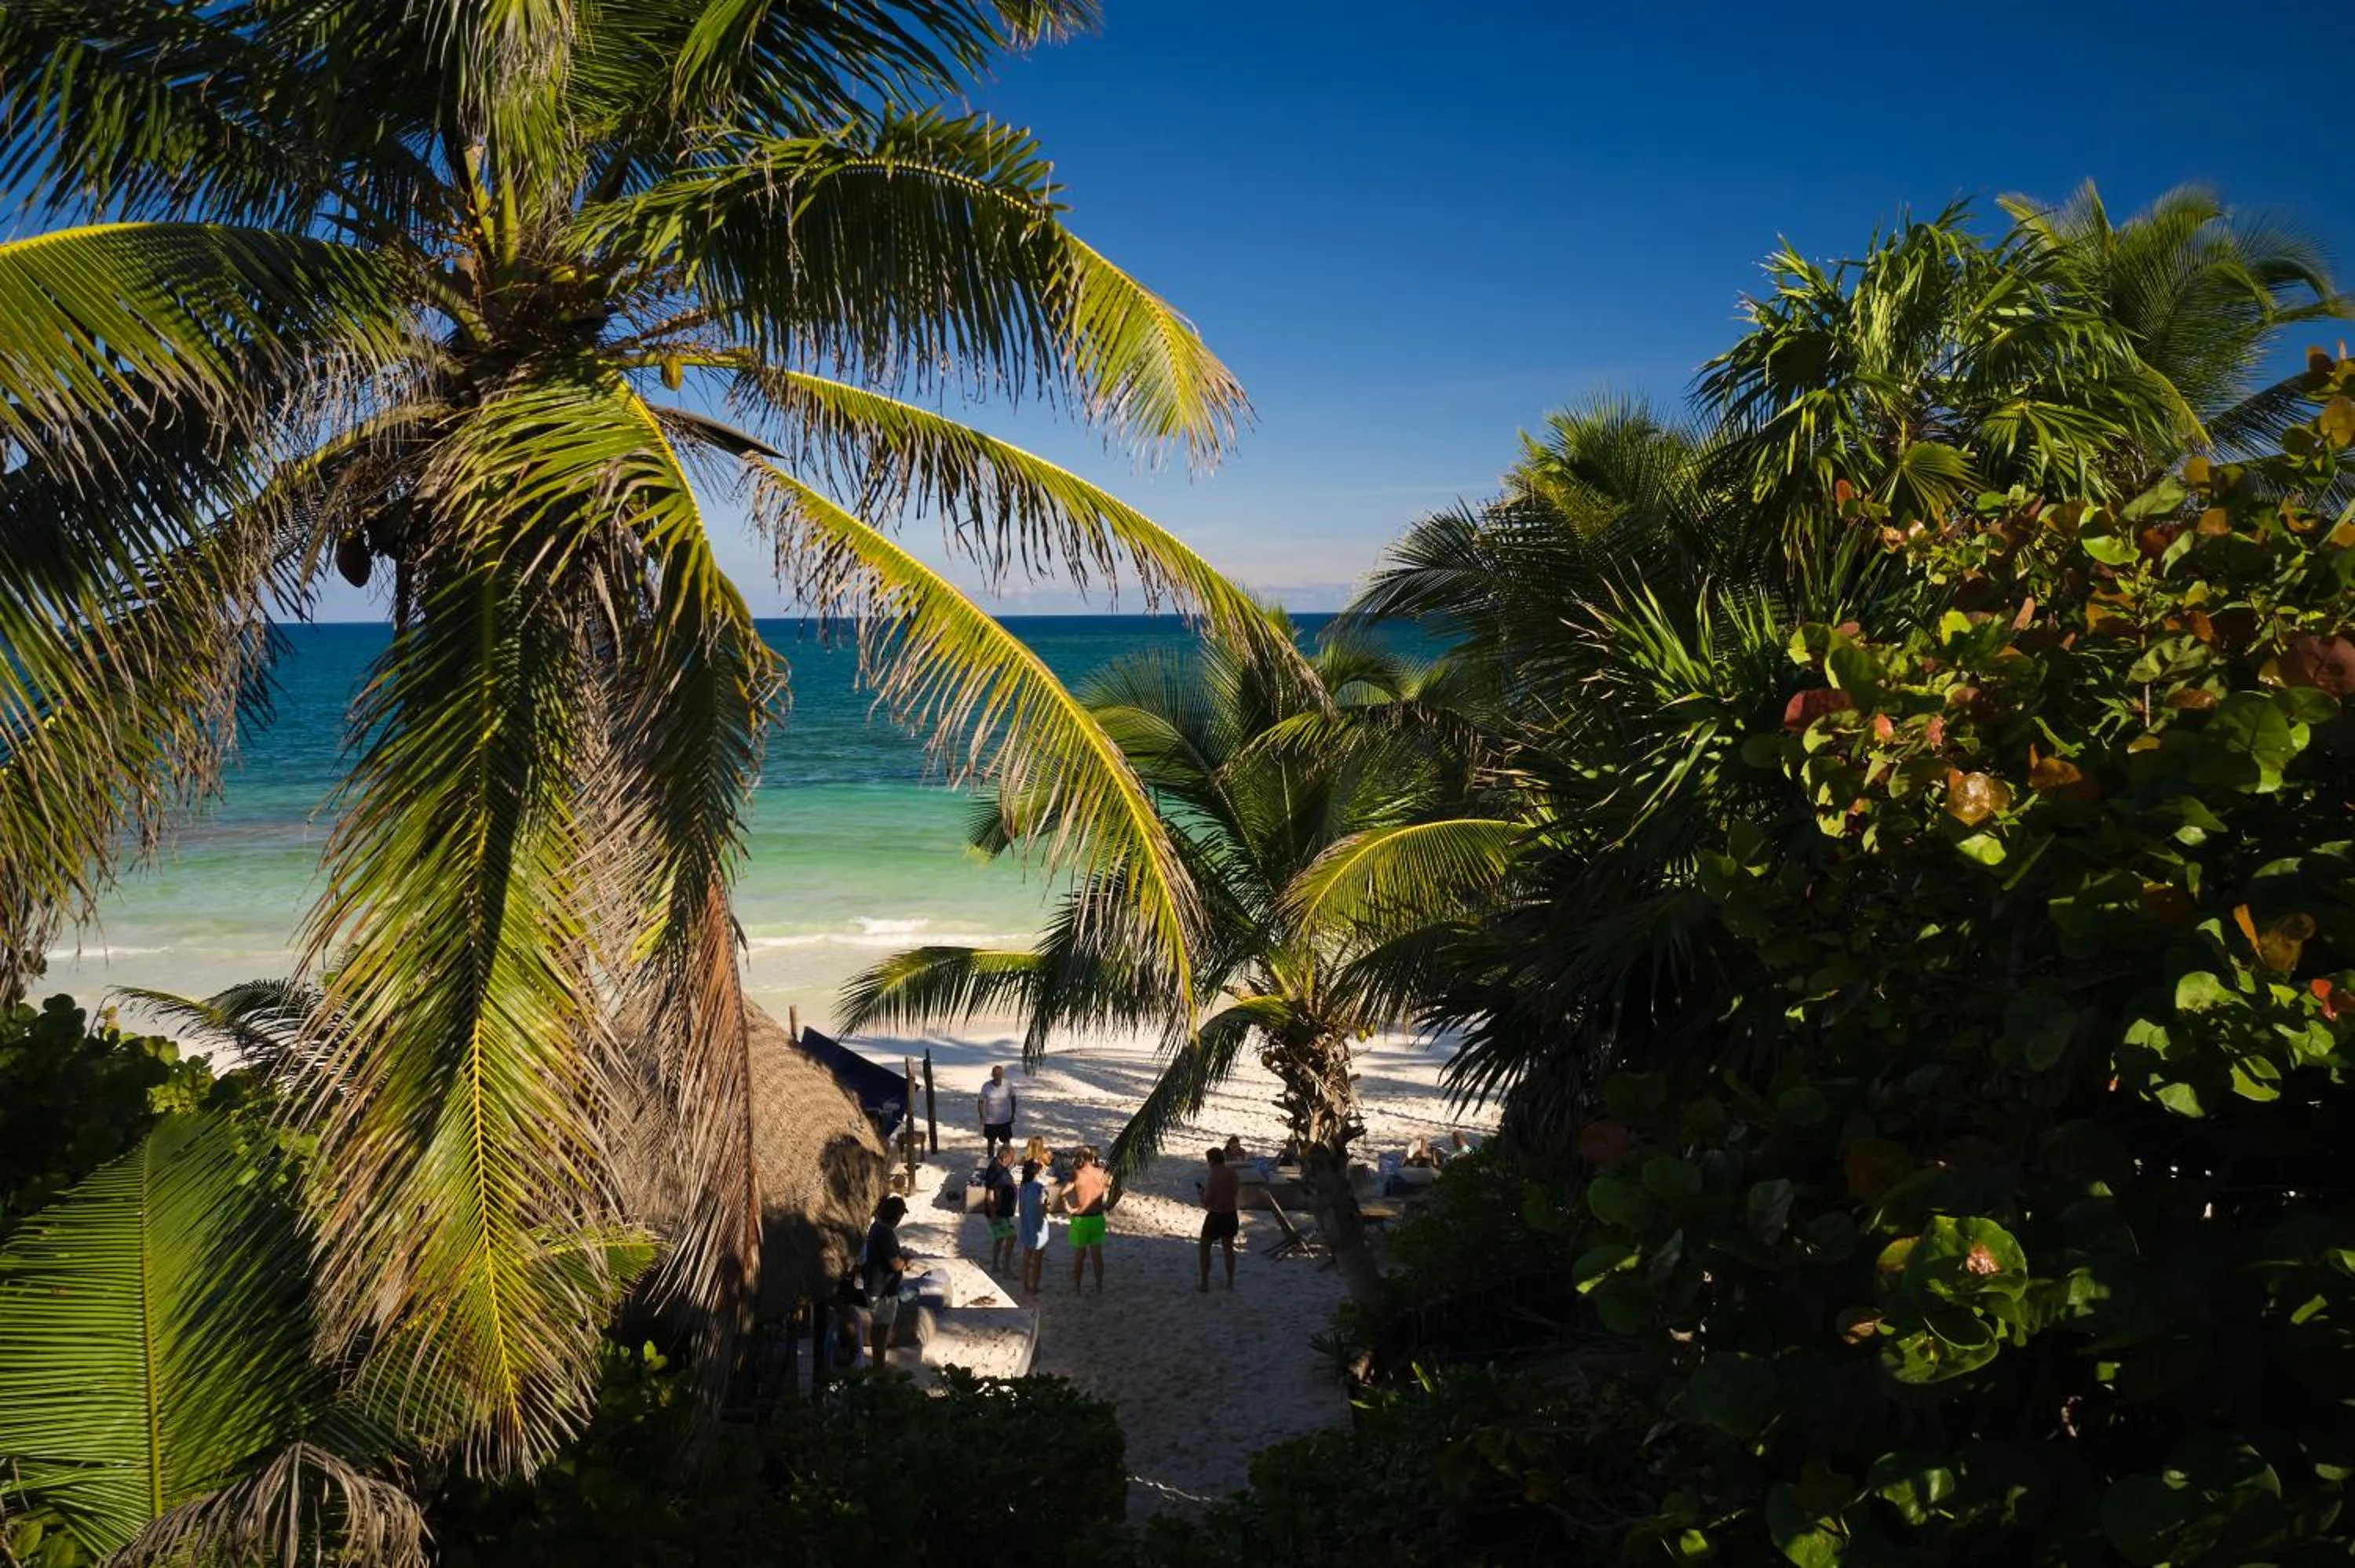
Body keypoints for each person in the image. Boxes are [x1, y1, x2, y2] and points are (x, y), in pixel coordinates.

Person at [861, 1196, 919, 1370]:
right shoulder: (886, 1234)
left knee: (877, 1327)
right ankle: (879, 1366)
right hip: (884, 1290)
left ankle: (877, 1364)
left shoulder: (875, 1227)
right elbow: (895, 1265)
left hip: (873, 1284)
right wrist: (907, 1260)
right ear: (896, 1216)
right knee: (883, 1329)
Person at [1065, 1146, 1109, 1295]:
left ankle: (1077, 1288)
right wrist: (1108, 1205)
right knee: (1097, 1255)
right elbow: (1118, 1190)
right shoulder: (1101, 1173)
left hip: (1081, 1218)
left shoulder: (1077, 1174)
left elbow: (1063, 1192)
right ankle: (1099, 1286)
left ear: (1081, 1159)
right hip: (1097, 1217)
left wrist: (1069, 1208)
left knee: (1079, 1256)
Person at [1197, 1146, 1240, 1292]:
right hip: (1231, 1214)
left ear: (1212, 1161)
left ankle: (1204, 1283)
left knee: (1205, 1247)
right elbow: (1235, 1191)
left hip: (1216, 1215)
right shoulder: (1232, 1172)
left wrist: (1201, 1194)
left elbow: (1207, 1202)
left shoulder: (1213, 1175)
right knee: (1229, 1249)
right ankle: (1230, 1282)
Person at [982, 1145, 1020, 1278]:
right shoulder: (995, 1170)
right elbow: (989, 1194)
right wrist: (994, 1215)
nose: (1013, 1160)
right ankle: (1006, 1269)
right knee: (1012, 1237)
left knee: (999, 1238)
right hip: (998, 1213)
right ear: (1005, 1157)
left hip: (1001, 1211)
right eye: (1012, 1158)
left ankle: (995, 1266)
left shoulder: (998, 1167)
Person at [1016, 1158, 1050, 1293]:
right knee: (1037, 1260)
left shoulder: (1022, 1187)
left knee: (1026, 1256)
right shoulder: (1040, 1188)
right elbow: (1043, 1209)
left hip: (1026, 1224)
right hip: (1038, 1225)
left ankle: (1025, 1286)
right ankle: (1034, 1286)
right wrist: (1047, 1207)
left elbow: (1021, 1207)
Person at [977, 1063, 1018, 1161]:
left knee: (1006, 1143)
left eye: (999, 1075)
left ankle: (1008, 1161)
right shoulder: (986, 1086)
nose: (997, 1078)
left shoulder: (1008, 1085)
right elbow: (980, 1101)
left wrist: (1013, 1114)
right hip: (990, 1121)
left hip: (1005, 1120)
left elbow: (1013, 1098)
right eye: (995, 1076)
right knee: (990, 1143)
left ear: (1002, 1075)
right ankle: (990, 1160)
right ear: (992, 1075)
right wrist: (982, 1116)